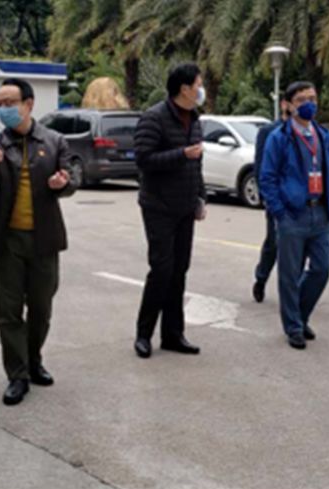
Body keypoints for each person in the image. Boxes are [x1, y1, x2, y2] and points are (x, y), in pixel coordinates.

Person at [0, 78, 76, 406]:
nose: (3, 109)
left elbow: (70, 180)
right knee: (8, 312)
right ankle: (17, 374)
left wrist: (62, 183)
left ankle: (33, 360)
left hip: (44, 239)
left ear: (28, 104)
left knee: (41, 308)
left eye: (10, 102)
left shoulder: (54, 140)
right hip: (6, 240)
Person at [132, 63, 207, 359]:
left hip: (185, 206)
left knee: (179, 271)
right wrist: (181, 154)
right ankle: (143, 334)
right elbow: (143, 159)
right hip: (159, 206)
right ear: (184, 89)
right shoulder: (154, 117)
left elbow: (196, 164)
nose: (201, 89)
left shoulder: (195, 119)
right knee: (162, 270)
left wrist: (200, 197)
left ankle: (173, 334)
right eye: (198, 84)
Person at [258, 81, 329, 350]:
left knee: (322, 268)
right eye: (302, 100)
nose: (309, 104)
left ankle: (300, 315)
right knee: (289, 274)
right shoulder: (279, 138)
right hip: (293, 215)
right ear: (288, 105)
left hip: (321, 213)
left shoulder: (323, 135)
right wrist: (279, 212)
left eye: (312, 99)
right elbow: (267, 178)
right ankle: (293, 326)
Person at [252, 95, 291, 303]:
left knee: (298, 248)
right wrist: (266, 197)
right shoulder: (268, 132)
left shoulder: (309, 132)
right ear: (284, 104)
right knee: (274, 243)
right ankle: (261, 278)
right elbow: (260, 167)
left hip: (300, 201)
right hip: (276, 198)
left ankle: (293, 294)